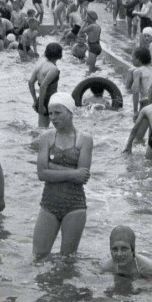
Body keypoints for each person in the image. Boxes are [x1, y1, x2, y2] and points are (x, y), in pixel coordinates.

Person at [32, 92, 93, 259]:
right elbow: (41, 174)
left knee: (67, 261)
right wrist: (72, 172)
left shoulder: (85, 139)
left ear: (70, 112)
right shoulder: (46, 137)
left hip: (75, 204)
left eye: (58, 113)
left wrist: (51, 166)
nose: (53, 118)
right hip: (49, 203)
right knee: (38, 256)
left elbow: (83, 177)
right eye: (50, 113)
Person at [28, 42, 63, 128]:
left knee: (42, 127)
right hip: (48, 100)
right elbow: (43, 86)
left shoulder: (40, 65)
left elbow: (30, 82)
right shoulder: (54, 69)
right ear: (59, 54)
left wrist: (36, 101)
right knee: (44, 128)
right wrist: (40, 106)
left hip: (41, 99)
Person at [126, 46, 152, 119]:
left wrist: (135, 111)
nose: (131, 59)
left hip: (146, 102)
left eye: (132, 57)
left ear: (138, 59)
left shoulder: (137, 71)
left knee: (139, 127)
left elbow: (135, 92)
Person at [79, 5, 102, 73]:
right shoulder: (98, 26)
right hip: (97, 46)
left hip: (93, 48)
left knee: (89, 69)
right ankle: (99, 71)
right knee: (91, 67)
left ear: (89, 18)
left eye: (87, 16)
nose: (86, 17)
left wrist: (85, 22)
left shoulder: (91, 26)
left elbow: (80, 31)